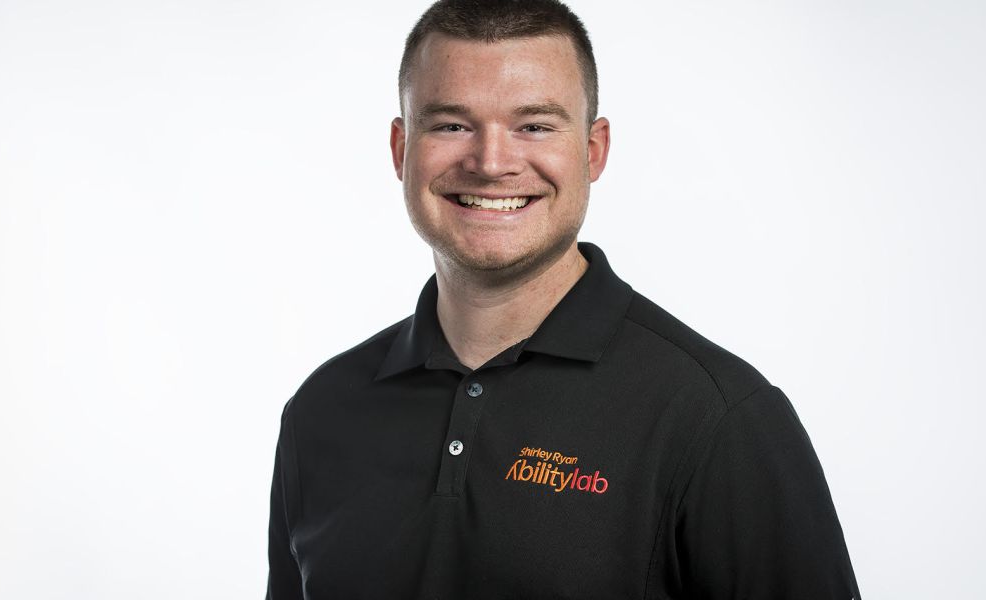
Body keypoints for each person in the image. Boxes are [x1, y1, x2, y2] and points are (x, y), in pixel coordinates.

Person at [266, 0, 860, 598]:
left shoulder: (718, 419)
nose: (491, 163)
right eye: (451, 125)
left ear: (594, 149)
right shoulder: (322, 410)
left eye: (535, 126)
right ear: (401, 149)